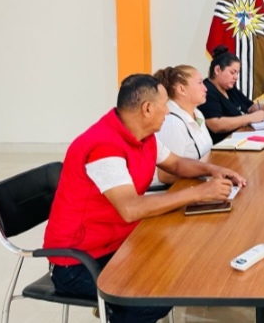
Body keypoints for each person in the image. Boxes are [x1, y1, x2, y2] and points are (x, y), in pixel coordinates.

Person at [44, 74, 247, 323]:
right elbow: (130, 208)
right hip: (78, 262)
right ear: (147, 109)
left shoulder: (144, 135)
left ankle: (117, 310)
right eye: (165, 105)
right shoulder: (103, 147)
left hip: (119, 243)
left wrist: (213, 170)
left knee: (180, 268)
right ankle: (118, 311)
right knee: (153, 298)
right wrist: (198, 193)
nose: (168, 111)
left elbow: (176, 164)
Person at [198, 45, 264, 144]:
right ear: (217, 70)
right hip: (223, 146)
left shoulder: (230, 88)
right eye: (232, 72)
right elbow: (215, 125)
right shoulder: (207, 90)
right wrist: (250, 118)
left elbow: (250, 107)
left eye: (237, 73)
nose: (236, 77)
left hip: (241, 139)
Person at [152, 64, 212, 185]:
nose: (205, 88)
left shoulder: (197, 113)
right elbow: (165, 175)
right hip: (174, 189)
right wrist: (207, 177)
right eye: (200, 83)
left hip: (198, 180)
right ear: (181, 90)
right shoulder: (172, 124)